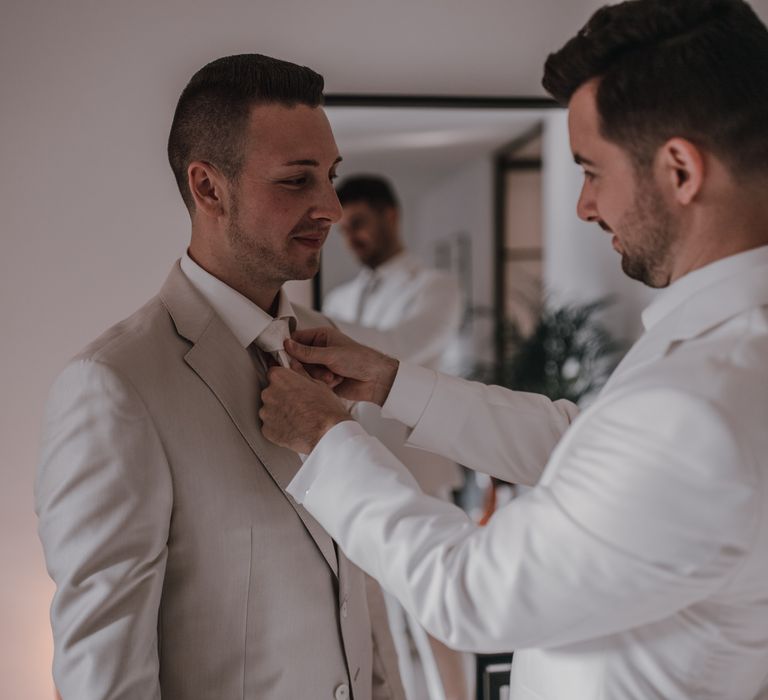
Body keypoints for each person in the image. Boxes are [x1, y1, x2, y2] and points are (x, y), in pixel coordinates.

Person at [259, 1, 768, 698]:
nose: (586, 207)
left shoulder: (699, 408)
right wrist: (390, 383)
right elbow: (581, 445)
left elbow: (469, 595)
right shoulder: (727, 351)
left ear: (680, 170)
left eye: (591, 171)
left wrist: (325, 442)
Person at [35, 53, 404, 700]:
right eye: (297, 181)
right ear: (208, 188)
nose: (333, 208)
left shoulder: (335, 358)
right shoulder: (114, 388)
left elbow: (359, 596)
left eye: (331, 177)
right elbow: (105, 682)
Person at [324, 175, 468, 700]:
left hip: (419, 473)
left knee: (434, 615)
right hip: (356, 476)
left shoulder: (436, 289)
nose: (351, 237)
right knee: (372, 620)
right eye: (343, 230)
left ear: (391, 216)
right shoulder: (340, 297)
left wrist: (313, 325)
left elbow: (400, 349)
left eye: (359, 223)